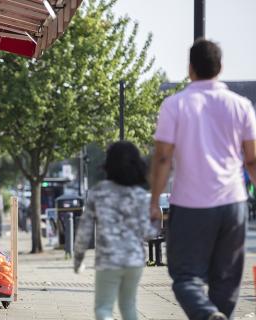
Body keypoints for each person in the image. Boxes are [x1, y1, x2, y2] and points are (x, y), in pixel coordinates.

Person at [150, 39, 256, 320]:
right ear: (220, 67)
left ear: (190, 68)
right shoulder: (242, 106)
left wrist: (153, 201)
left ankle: (207, 314)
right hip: (233, 203)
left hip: (190, 204)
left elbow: (162, 158)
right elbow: (252, 159)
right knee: (227, 280)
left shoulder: (174, 105)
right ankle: (216, 314)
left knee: (185, 276)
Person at [74, 141, 158, 320]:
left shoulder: (98, 193)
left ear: (109, 165)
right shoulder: (141, 196)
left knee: (103, 309)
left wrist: (79, 258)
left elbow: (84, 230)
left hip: (108, 259)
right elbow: (148, 233)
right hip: (134, 260)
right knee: (129, 307)